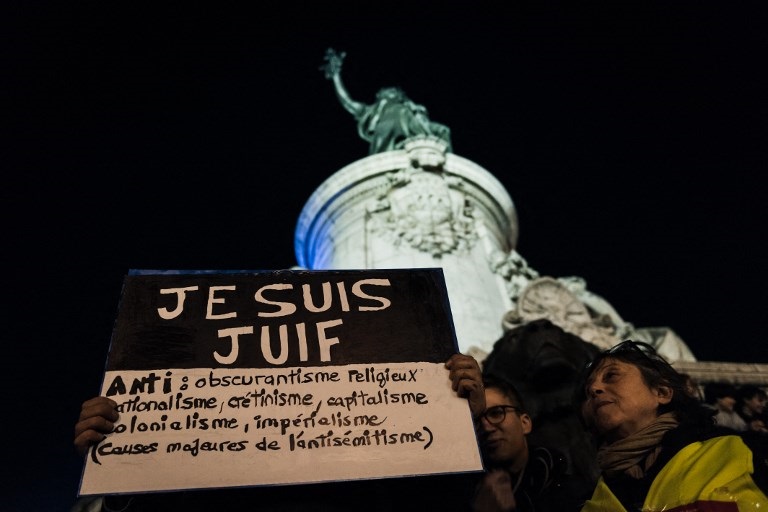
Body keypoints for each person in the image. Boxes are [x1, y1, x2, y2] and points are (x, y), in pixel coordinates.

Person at [72, 353, 486, 512]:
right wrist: (122, 455)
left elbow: (434, 500)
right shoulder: (229, 471)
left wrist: (462, 424)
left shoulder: (370, 468)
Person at [575, 340, 768, 511]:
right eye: (587, 390)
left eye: (611, 376)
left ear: (662, 392)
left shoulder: (737, 451)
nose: (593, 389)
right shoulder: (593, 498)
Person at [471, 374, 592, 511]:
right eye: (475, 421)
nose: (486, 427)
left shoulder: (577, 495)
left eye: (496, 413)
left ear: (525, 423)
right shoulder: (458, 497)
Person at [321, 48, 452, 155]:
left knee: (443, 130)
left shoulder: (410, 108)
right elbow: (347, 101)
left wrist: (417, 113)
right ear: (380, 96)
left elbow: (423, 120)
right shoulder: (372, 111)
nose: (394, 93)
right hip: (386, 126)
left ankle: (448, 171)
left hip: (412, 124)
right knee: (381, 151)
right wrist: (336, 76)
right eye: (389, 91)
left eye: (396, 92)